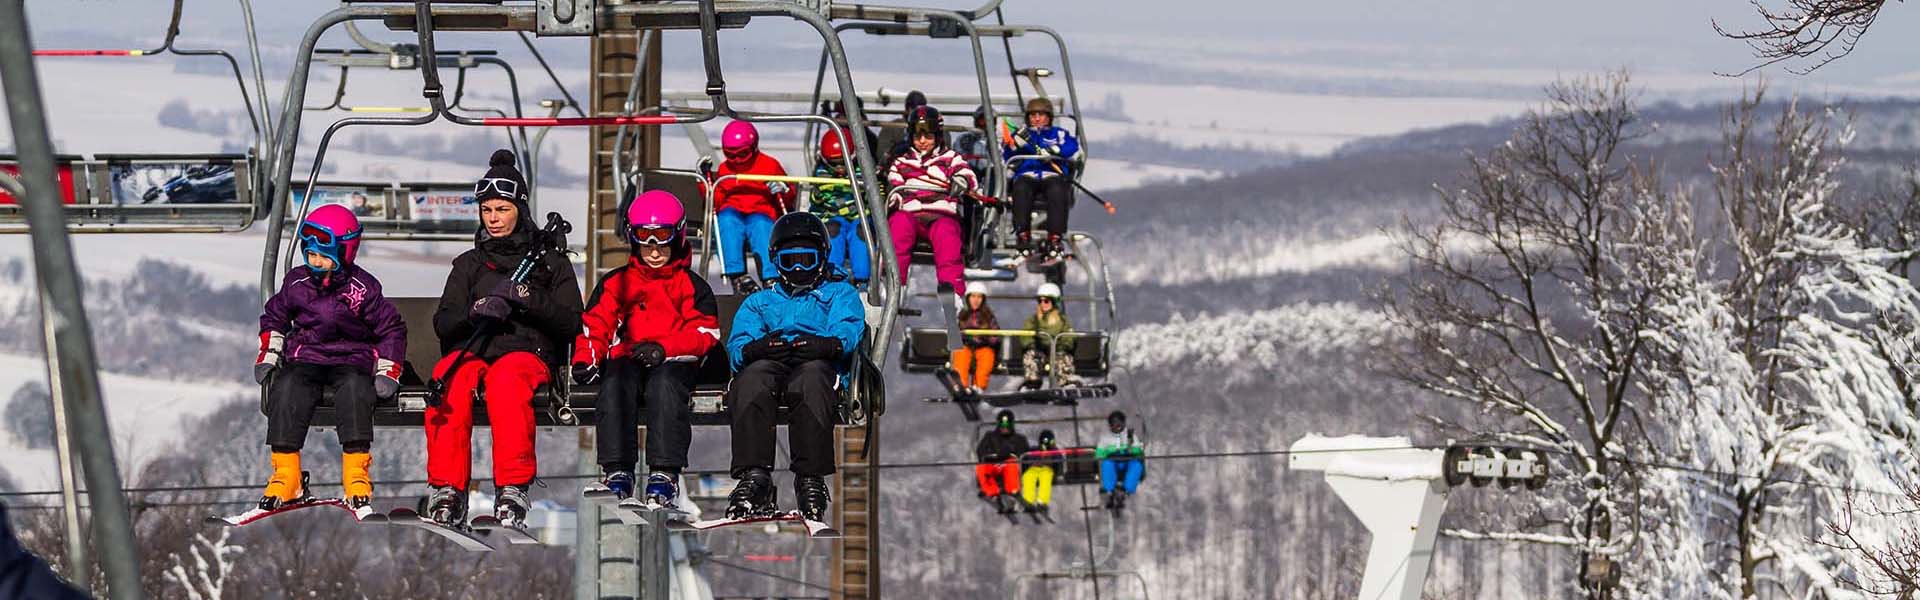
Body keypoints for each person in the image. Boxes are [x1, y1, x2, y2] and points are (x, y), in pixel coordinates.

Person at [426, 149, 583, 526]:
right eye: (487, 211)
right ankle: (448, 487)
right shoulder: (469, 264)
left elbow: (572, 323)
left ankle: (512, 487)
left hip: (525, 353)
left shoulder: (549, 263)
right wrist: (474, 311)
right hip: (475, 350)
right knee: (449, 378)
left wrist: (529, 300)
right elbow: (444, 323)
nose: (493, 219)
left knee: (506, 384)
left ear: (520, 209)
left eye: (502, 209)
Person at [572, 190, 721, 506]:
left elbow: (705, 333)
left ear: (677, 235)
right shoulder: (617, 283)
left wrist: (664, 348)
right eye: (645, 237)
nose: (654, 249)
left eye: (662, 237)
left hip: (675, 361)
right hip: (630, 357)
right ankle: (618, 471)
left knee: (664, 385)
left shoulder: (691, 286)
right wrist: (587, 359)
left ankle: (664, 473)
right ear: (633, 237)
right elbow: (595, 324)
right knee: (614, 381)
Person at [254, 204, 406, 511]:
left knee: (354, 391)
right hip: (307, 356)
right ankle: (287, 474)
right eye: (310, 255)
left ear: (345, 253)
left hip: (351, 359)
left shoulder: (363, 289)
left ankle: (356, 474)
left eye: (323, 256)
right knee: (287, 387)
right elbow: (275, 316)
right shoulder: (297, 283)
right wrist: (270, 351)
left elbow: (391, 328)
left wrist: (388, 370)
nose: (316, 262)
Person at [724, 212, 866, 523]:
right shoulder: (760, 302)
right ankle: (754, 477)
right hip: (772, 363)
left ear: (823, 260)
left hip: (816, 363)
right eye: (790, 261)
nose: (799, 269)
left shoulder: (838, 293)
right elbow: (737, 344)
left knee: (812, 380)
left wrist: (828, 345)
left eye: (807, 260)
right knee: (751, 379)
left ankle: (810, 478)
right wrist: (754, 348)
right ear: (776, 261)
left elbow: (849, 327)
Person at [886, 105, 978, 304]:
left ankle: (951, 290)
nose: (922, 142)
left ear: (937, 136)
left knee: (947, 237)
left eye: (928, 137)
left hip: (940, 214)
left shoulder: (950, 159)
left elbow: (968, 175)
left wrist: (960, 182)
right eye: (917, 137)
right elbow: (894, 184)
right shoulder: (902, 162)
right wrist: (896, 199)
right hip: (911, 214)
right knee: (898, 226)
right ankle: (894, 285)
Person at [705, 120, 797, 294]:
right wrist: (707, 184)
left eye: (743, 154)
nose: (737, 160)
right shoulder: (725, 169)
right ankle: (737, 275)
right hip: (733, 211)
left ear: (754, 147)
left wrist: (783, 189)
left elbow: (789, 195)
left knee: (762, 227)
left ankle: (770, 276)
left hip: (761, 211)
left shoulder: (769, 165)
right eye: (731, 155)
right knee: (727, 222)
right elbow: (716, 200)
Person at [1003, 97, 1082, 259]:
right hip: (1028, 174)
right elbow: (1007, 154)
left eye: (1041, 115)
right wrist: (1014, 146)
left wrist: (1054, 150)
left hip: (1051, 174)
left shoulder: (1057, 134)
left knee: (1057, 191)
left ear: (1049, 117)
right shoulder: (1023, 136)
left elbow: (1071, 146)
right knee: (1021, 189)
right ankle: (1023, 236)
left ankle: (1055, 238)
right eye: (1033, 115)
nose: (1037, 119)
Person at [808, 129, 870, 287]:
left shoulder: (864, 171)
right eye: (834, 163)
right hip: (833, 216)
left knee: (862, 231)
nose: (840, 168)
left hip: (859, 216)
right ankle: (833, 276)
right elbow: (817, 203)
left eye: (844, 162)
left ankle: (862, 279)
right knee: (832, 229)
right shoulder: (822, 175)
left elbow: (876, 195)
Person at [1019, 282, 1078, 389]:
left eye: (1046, 301)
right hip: (1039, 351)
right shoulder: (1033, 320)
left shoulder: (1062, 321)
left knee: (1063, 358)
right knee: (1031, 356)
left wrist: (1063, 346)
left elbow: (1068, 336)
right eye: (1040, 301)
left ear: (1054, 302)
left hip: (1056, 351)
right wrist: (1031, 345)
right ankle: (1032, 381)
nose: (1043, 304)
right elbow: (1025, 334)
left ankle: (1066, 381)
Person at [974, 409, 1030, 514]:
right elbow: (980, 450)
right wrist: (991, 455)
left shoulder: (1019, 439)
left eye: (1007, 426)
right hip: (993, 464)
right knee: (981, 468)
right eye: (1002, 426)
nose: (1005, 429)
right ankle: (992, 493)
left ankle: (1012, 491)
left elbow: (1024, 454)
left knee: (1011, 464)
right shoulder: (990, 436)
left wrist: (1010, 454)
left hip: (1008, 466)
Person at [951, 282, 1000, 394]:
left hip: (983, 347)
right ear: (968, 298)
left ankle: (978, 386)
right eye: (973, 296)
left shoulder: (988, 316)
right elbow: (955, 332)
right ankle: (961, 385)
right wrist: (966, 338)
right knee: (961, 354)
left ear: (983, 299)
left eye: (979, 297)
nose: (976, 300)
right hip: (966, 346)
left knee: (986, 356)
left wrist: (985, 339)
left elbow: (995, 335)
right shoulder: (963, 315)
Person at [1098, 410, 1145, 509]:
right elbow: (1099, 453)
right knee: (1107, 464)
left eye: (1119, 423)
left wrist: (1130, 447)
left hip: (1127, 463)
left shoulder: (1130, 436)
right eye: (1114, 424)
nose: (1117, 426)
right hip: (1114, 463)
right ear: (1110, 425)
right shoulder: (1105, 437)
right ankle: (1109, 490)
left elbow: (1137, 450)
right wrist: (1111, 452)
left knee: (1136, 465)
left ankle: (1125, 489)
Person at [877, 90, 931, 166]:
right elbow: (882, 155)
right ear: (908, 109)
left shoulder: (932, 128)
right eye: (914, 109)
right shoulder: (891, 128)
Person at [954, 105, 996, 195]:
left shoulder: (997, 140)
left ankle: (990, 201)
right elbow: (958, 157)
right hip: (971, 170)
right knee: (967, 174)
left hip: (990, 173)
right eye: (982, 121)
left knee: (994, 173)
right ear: (976, 121)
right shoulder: (964, 138)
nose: (986, 125)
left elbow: (1001, 159)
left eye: (989, 121)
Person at [1020, 429, 1061, 514]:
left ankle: (1042, 501)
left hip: (1047, 469)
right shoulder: (1034, 450)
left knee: (1045, 478)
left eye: (1052, 441)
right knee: (1028, 477)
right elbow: (1026, 458)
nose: (1049, 444)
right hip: (1034, 468)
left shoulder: (1055, 451)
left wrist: (1057, 472)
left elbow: (1059, 461)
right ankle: (1028, 500)